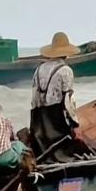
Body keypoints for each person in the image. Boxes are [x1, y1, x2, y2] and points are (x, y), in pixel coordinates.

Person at [30, 32, 81, 162]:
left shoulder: (38, 69)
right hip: (56, 119)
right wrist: (74, 123)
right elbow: (68, 101)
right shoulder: (66, 70)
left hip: (37, 120)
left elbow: (34, 99)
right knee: (67, 149)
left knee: (43, 151)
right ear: (66, 53)